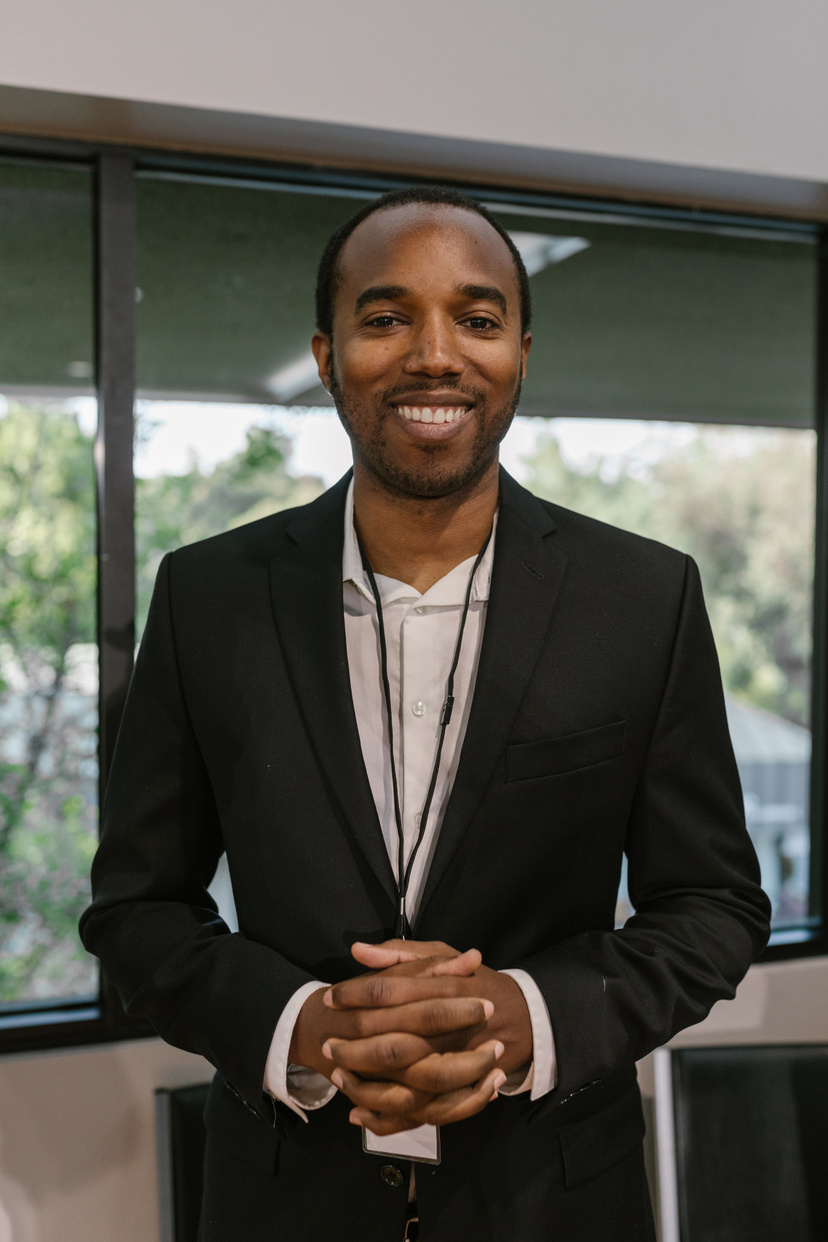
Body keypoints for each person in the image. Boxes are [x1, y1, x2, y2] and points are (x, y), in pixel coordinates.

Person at [80, 186, 771, 1242]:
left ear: (521, 354)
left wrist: (526, 1017)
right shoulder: (208, 597)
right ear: (326, 355)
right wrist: (301, 1026)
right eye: (388, 316)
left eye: (478, 319)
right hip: (282, 1199)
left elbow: (714, 905)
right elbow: (135, 910)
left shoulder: (643, 598)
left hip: (556, 1200)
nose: (435, 356)